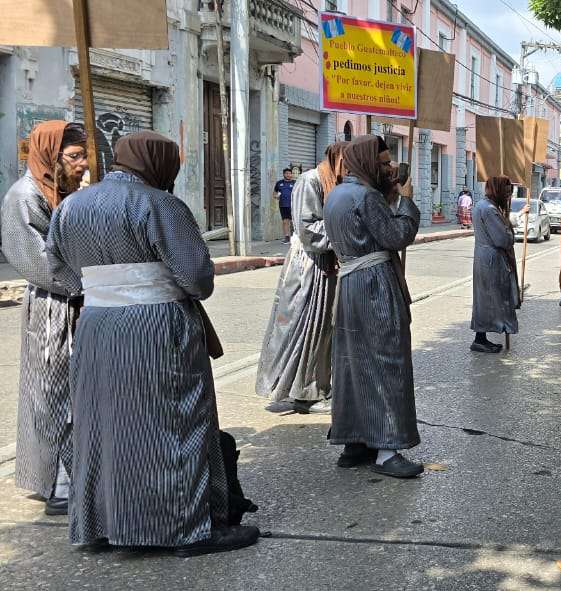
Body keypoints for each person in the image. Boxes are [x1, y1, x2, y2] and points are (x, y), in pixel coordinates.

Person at [46, 130, 258, 555]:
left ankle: (105, 525)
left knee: (108, 428)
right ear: (158, 163)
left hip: (97, 327)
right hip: (157, 328)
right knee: (175, 423)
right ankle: (187, 529)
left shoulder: (69, 207)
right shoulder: (161, 205)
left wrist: (106, 291)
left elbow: (60, 272)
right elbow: (197, 279)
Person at [0, 120, 87, 516]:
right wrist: (86, 286)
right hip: (53, 307)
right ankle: (55, 484)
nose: (83, 164)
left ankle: (80, 475)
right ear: (51, 156)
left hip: (80, 303)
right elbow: (37, 261)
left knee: (79, 395)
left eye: (84, 155)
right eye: (74, 156)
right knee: (51, 395)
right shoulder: (24, 195)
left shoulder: (64, 191)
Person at [323, 135, 423, 479]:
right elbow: (396, 237)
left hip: (351, 284)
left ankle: (355, 441)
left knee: (354, 363)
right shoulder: (366, 196)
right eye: (382, 163)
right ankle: (387, 449)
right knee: (387, 360)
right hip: (374, 284)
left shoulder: (337, 193)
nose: (389, 169)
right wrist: (406, 202)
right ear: (367, 163)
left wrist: (390, 194)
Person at [257, 142, 346, 414]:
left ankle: (311, 388)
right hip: (310, 267)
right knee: (307, 327)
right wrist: (347, 229)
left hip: (327, 264)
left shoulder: (337, 182)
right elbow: (308, 228)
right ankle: (305, 392)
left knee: (323, 329)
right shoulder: (311, 181)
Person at [470, 176, 522, 353]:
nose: (508, 197)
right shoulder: (490, 210)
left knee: (483, 299)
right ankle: (481, 338)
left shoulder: (482, 206)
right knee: (493, 299)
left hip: (483, 257)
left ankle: (481, 337)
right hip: (492, 259)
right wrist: (508, 230)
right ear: (498, 190)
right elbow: (502, 239)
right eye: (506, 193)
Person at [274, 168, 297, 242]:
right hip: (283, 205)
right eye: (286, 173)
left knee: (293, 222)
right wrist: (276, 196)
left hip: (293, 205)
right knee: (285, 221)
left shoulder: (295, 183)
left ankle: (295, 236)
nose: (288, 175)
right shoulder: (279, 183)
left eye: (290, 173)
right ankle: (287, 237)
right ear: (284, 174)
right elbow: (274, 193)